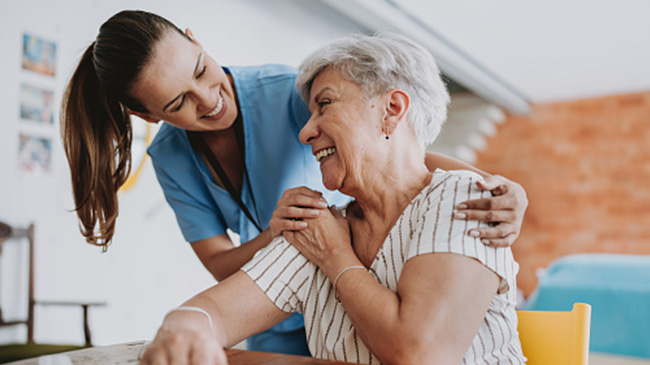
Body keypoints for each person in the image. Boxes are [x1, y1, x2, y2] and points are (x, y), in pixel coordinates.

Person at [60, 10, 528, 355]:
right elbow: (219, 288)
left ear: (195, 40)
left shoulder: (289, 92)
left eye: (201, 70)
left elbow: (395, 153)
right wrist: (184, 324)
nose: (208, 99)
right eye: (179, 101)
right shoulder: (177, 161)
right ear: (149, 115)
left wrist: (492, 185)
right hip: (292, 309)